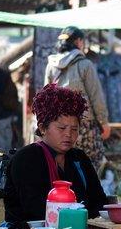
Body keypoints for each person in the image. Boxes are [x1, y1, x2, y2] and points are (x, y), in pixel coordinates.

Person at [4, 84, 107, 224]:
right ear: (42, 128)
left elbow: (98, 201)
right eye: (62, 128)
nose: (68, 134)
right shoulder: (26, 159)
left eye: (74, 129)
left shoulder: (79, 159)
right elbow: (33, 209)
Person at [45, 26, 110, 171]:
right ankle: (87, 194)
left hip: (59, 126)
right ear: (79, 41)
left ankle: (68, 194)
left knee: (64, 167)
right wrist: (104, 122)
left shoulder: (51, 66)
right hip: (84, 126)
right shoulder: (85, 65)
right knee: (89, 167)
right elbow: (96, 96)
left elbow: (46, 99)